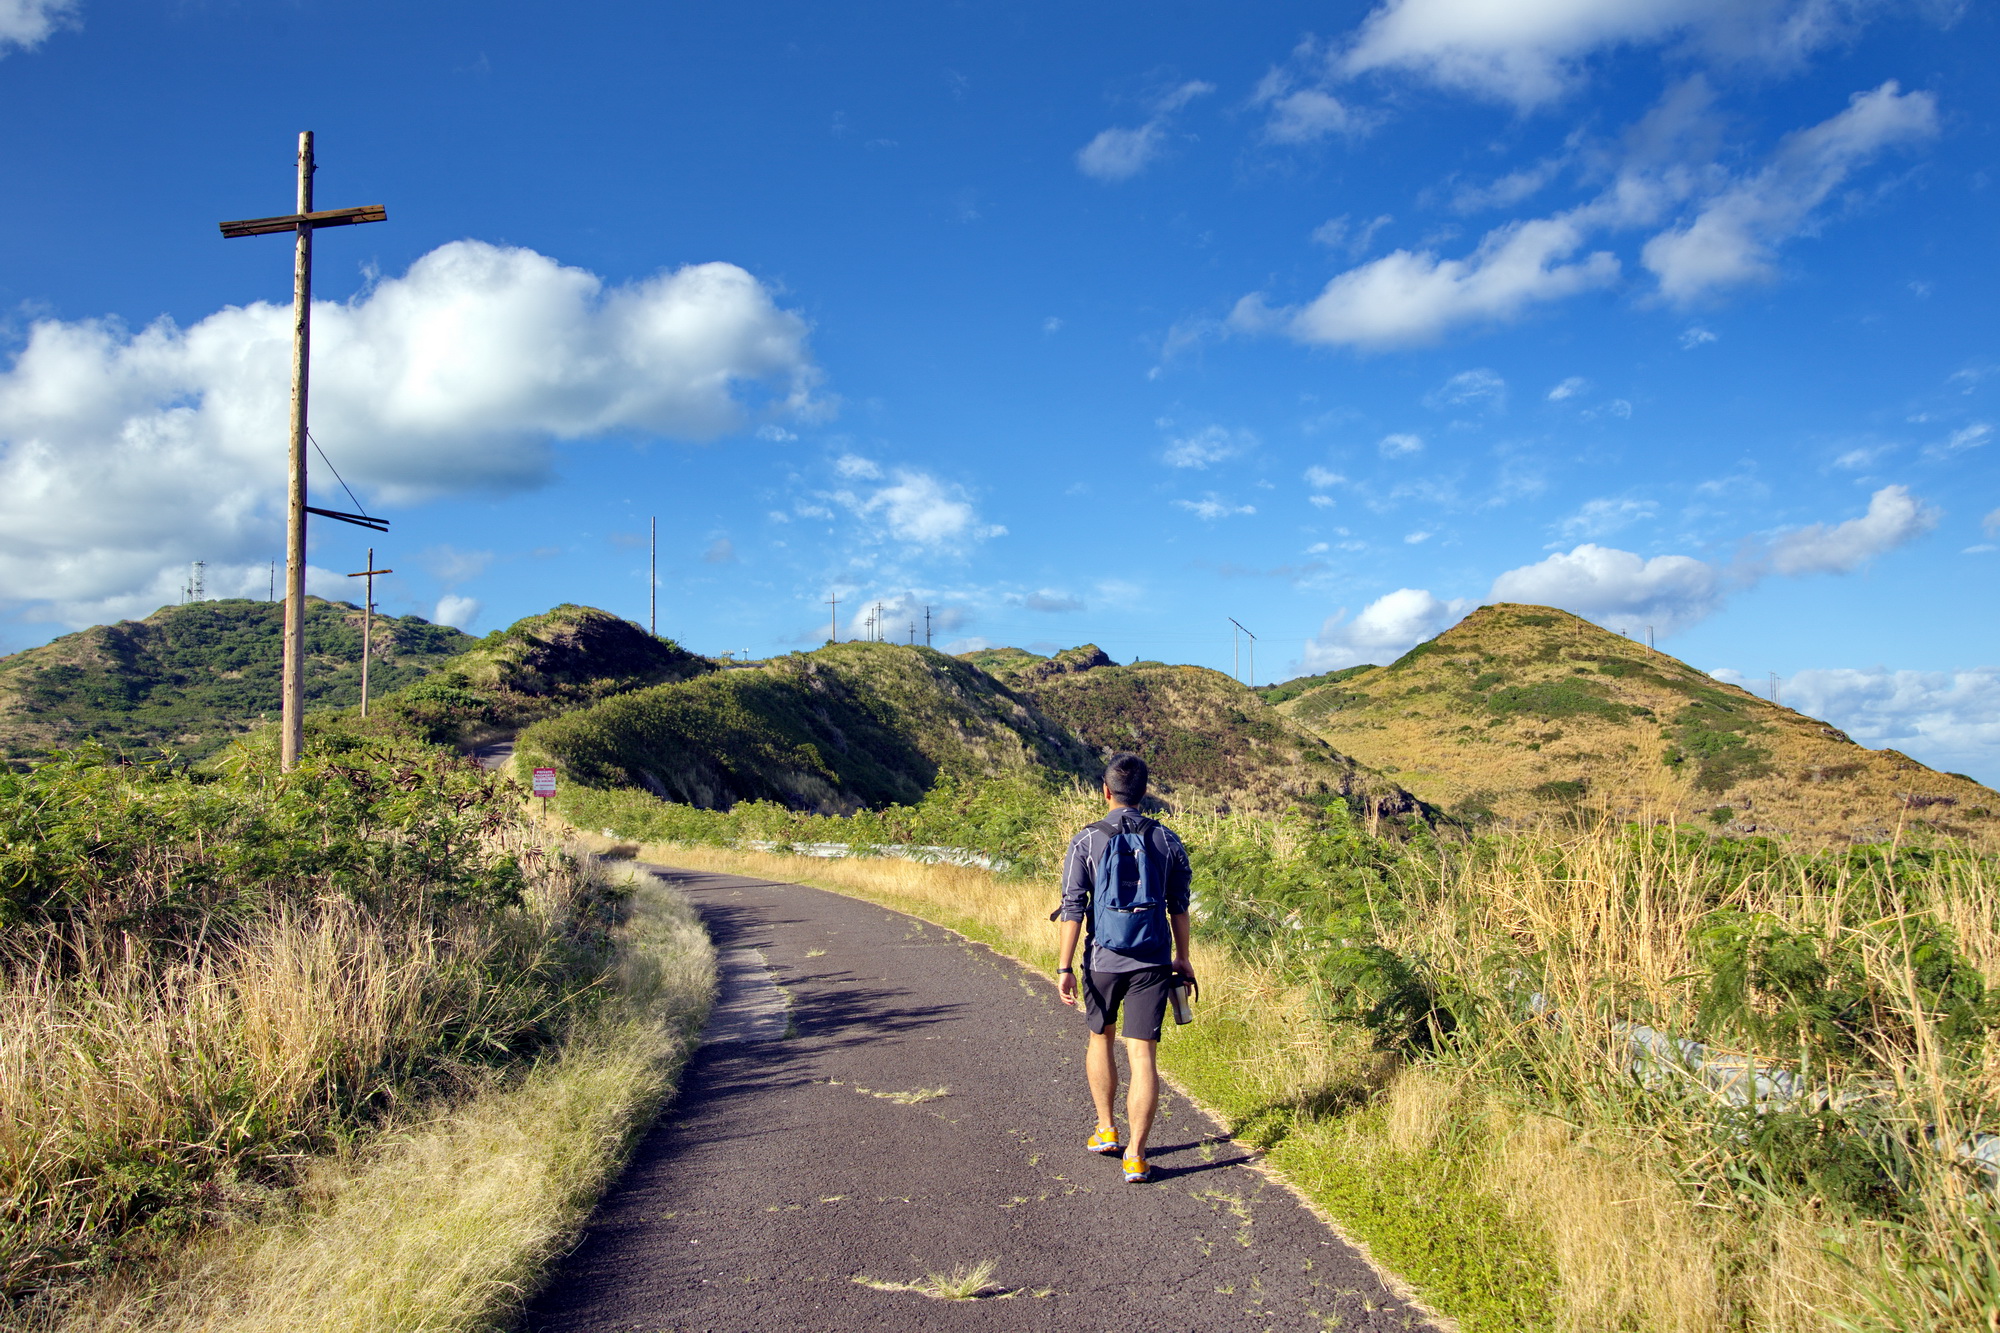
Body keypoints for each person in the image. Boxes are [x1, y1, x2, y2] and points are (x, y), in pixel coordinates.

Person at [1054, 752, 1195, 1183]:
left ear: (1106, 790)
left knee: (1100, 1039)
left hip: (1102, 960)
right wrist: (1182, 958)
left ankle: (1106, 1129)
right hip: (1152, 959)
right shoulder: (1168, 841)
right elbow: (1179, 908)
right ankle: (1136, 1155)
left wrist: (1064, 966)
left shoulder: (1086, 841)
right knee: (1143, 1057)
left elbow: (1073, 908)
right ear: (1145, 793)